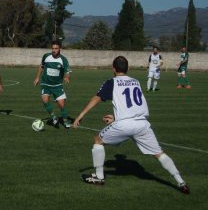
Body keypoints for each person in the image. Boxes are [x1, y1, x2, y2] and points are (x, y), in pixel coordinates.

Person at [72, 56, 190, 194]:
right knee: (159, 153)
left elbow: (97, 98)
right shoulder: (136, 82)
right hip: (142, 124)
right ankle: (181, 181)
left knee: (98, 140)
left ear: (113, 69)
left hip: (124, 125)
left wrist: (80, 116)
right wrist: (116, 117)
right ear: (127, 69)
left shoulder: (112, 82)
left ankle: (99, 177)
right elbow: (134, 106)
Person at [33, 40, 72, 129]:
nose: (54, 50)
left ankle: (66, 121)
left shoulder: (63, 60)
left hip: (57, 86)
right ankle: (54, 117)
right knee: (45, 100)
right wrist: (37, 77)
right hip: (45, 83)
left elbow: (67, 72)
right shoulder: (46, 56)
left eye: (56, 48)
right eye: (53, 48)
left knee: (62, 105)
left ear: (60, 49)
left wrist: (67, 77)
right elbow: (41, 66)